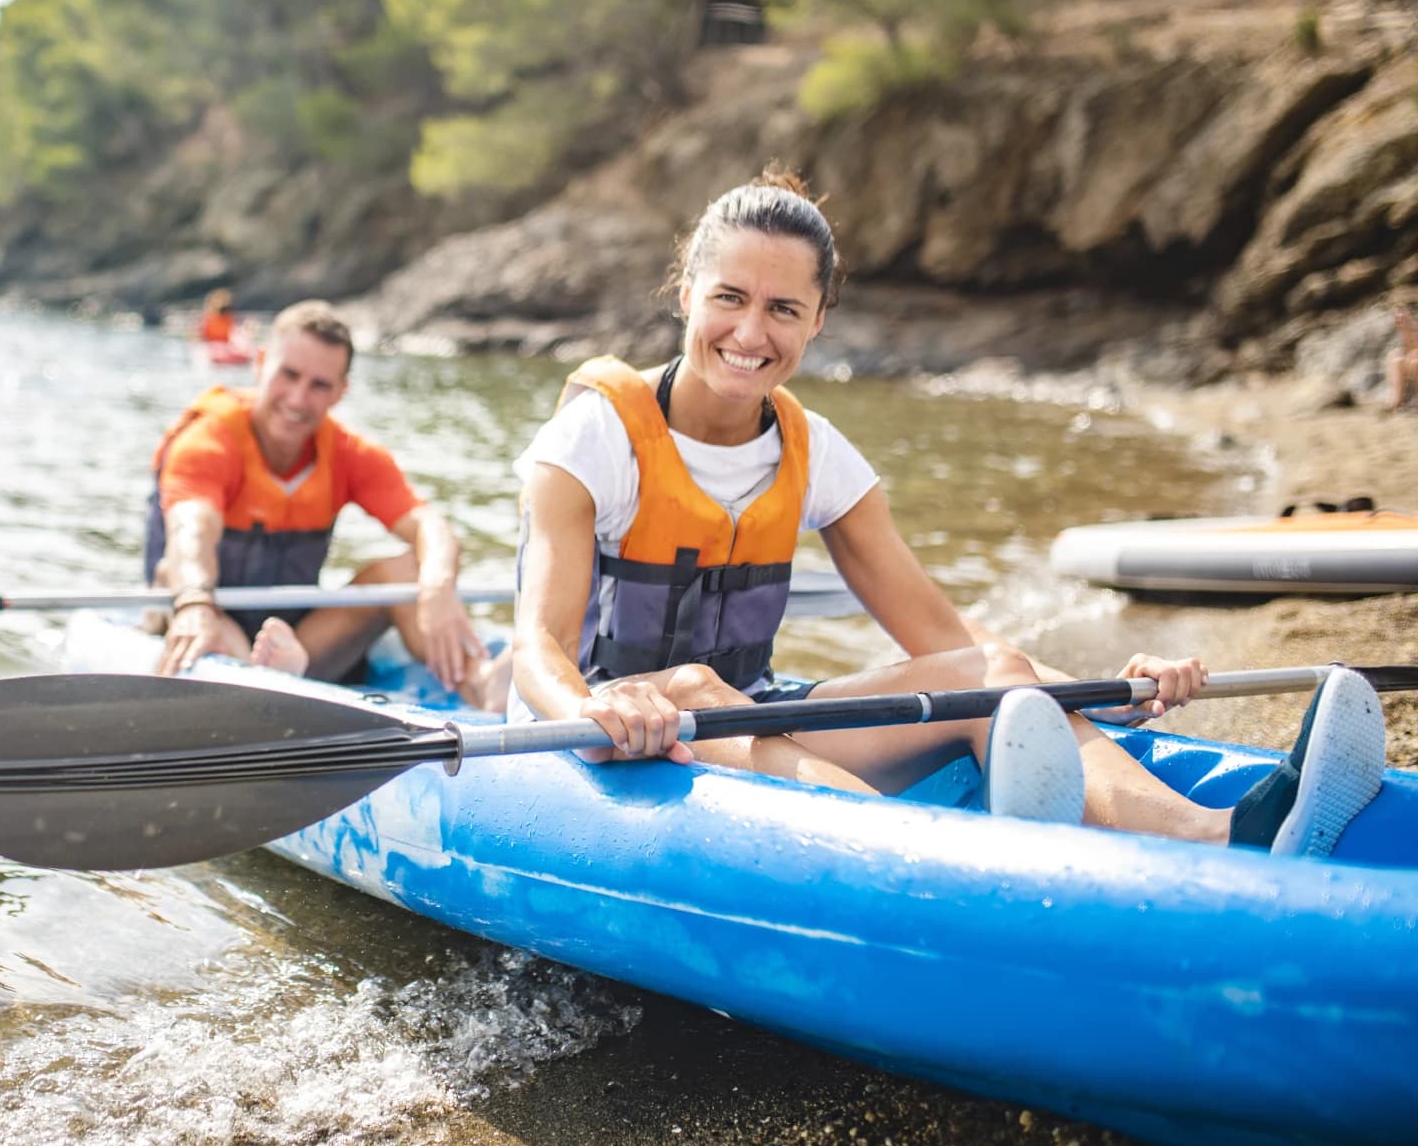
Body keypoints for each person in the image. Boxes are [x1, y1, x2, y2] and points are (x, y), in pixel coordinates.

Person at [508, 169, 1382, 852]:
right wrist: (595, 716)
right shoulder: (595, 437)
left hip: (746, 714)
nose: (750, 333)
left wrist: (1103, 695)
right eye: (729, 298)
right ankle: (925, 860)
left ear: (818, 321)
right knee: (697, 686)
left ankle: (1221, 833)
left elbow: (945, 638)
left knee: (991, 668)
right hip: (594, 734)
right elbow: (537, 647)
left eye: (783, 309)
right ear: (686, 295)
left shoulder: (818, 454)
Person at [147, 299, 507, 705]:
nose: (298, 399)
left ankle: (481, 683)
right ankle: (256, 675)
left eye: (319, 385)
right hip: (204, 610)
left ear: (340, 392)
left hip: (296, 639)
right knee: (172, 572)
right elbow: (191, 532)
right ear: (260, 363)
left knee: (408, 570)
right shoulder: (208, 443)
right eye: (289, 375)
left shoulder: (350, 455)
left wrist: (438, 587)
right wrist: (194, 602)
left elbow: (429, 527)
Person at [1383, 302, 1418, 412]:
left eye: (1402, 315)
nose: (1399, 319)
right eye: (1397, 317)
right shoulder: (1402, 332)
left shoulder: (1415, 329)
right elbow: (1404, 350)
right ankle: (1397, 399)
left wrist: (1411, 355)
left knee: (1414, 362)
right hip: (1411, 358)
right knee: (1396, 359)